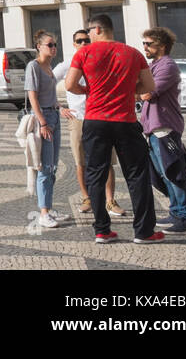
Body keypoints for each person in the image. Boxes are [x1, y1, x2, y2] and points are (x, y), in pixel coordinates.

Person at [63, 14, 162, 245]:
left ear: (97, 29)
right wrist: (127, 90)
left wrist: (88, 91)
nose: (87, 37)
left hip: (95, 120)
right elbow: (149, 86)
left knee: (96, 174)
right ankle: (144, 232)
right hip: (125, 121)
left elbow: (69, 84)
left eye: (89, 32)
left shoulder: (84, 53)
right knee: (137, 174)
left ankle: (102, 230)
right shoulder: (133, 53)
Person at [53, 29, 125, 216]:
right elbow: (46, 83)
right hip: (78, 118)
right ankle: (88, 198)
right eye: (80, 41)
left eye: (86, 40)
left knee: (107, 161)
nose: (84, 44)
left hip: (102, 116)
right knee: (81, 161)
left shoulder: (101, 60)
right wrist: (59, 107)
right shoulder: (67, 64)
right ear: (74, 44)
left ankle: (110, 200)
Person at [139, 27, 186, 234]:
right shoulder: (155, 65)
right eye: (144, 43)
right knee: (161, 174)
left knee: (173, 172)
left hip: (164, 127)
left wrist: (137, 89)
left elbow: (146, 93)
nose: (144, 47)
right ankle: (175, 212)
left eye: (148, 43)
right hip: (153, 128)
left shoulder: (167, 66)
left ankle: (185, 218)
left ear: (161, 46)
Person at [25, 30, 68, 229]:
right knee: (45, 166)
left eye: (55, 45)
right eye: (50, 45)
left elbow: (49, 95)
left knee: (54, 167)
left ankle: (48, 209)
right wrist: (42, 122)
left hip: (54, 115)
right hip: (44, 118)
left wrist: (60, 107)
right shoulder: (33, 66)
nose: (53, 48)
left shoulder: (49, 67)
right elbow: (33, 97)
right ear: (39, 47)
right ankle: (43, 213)